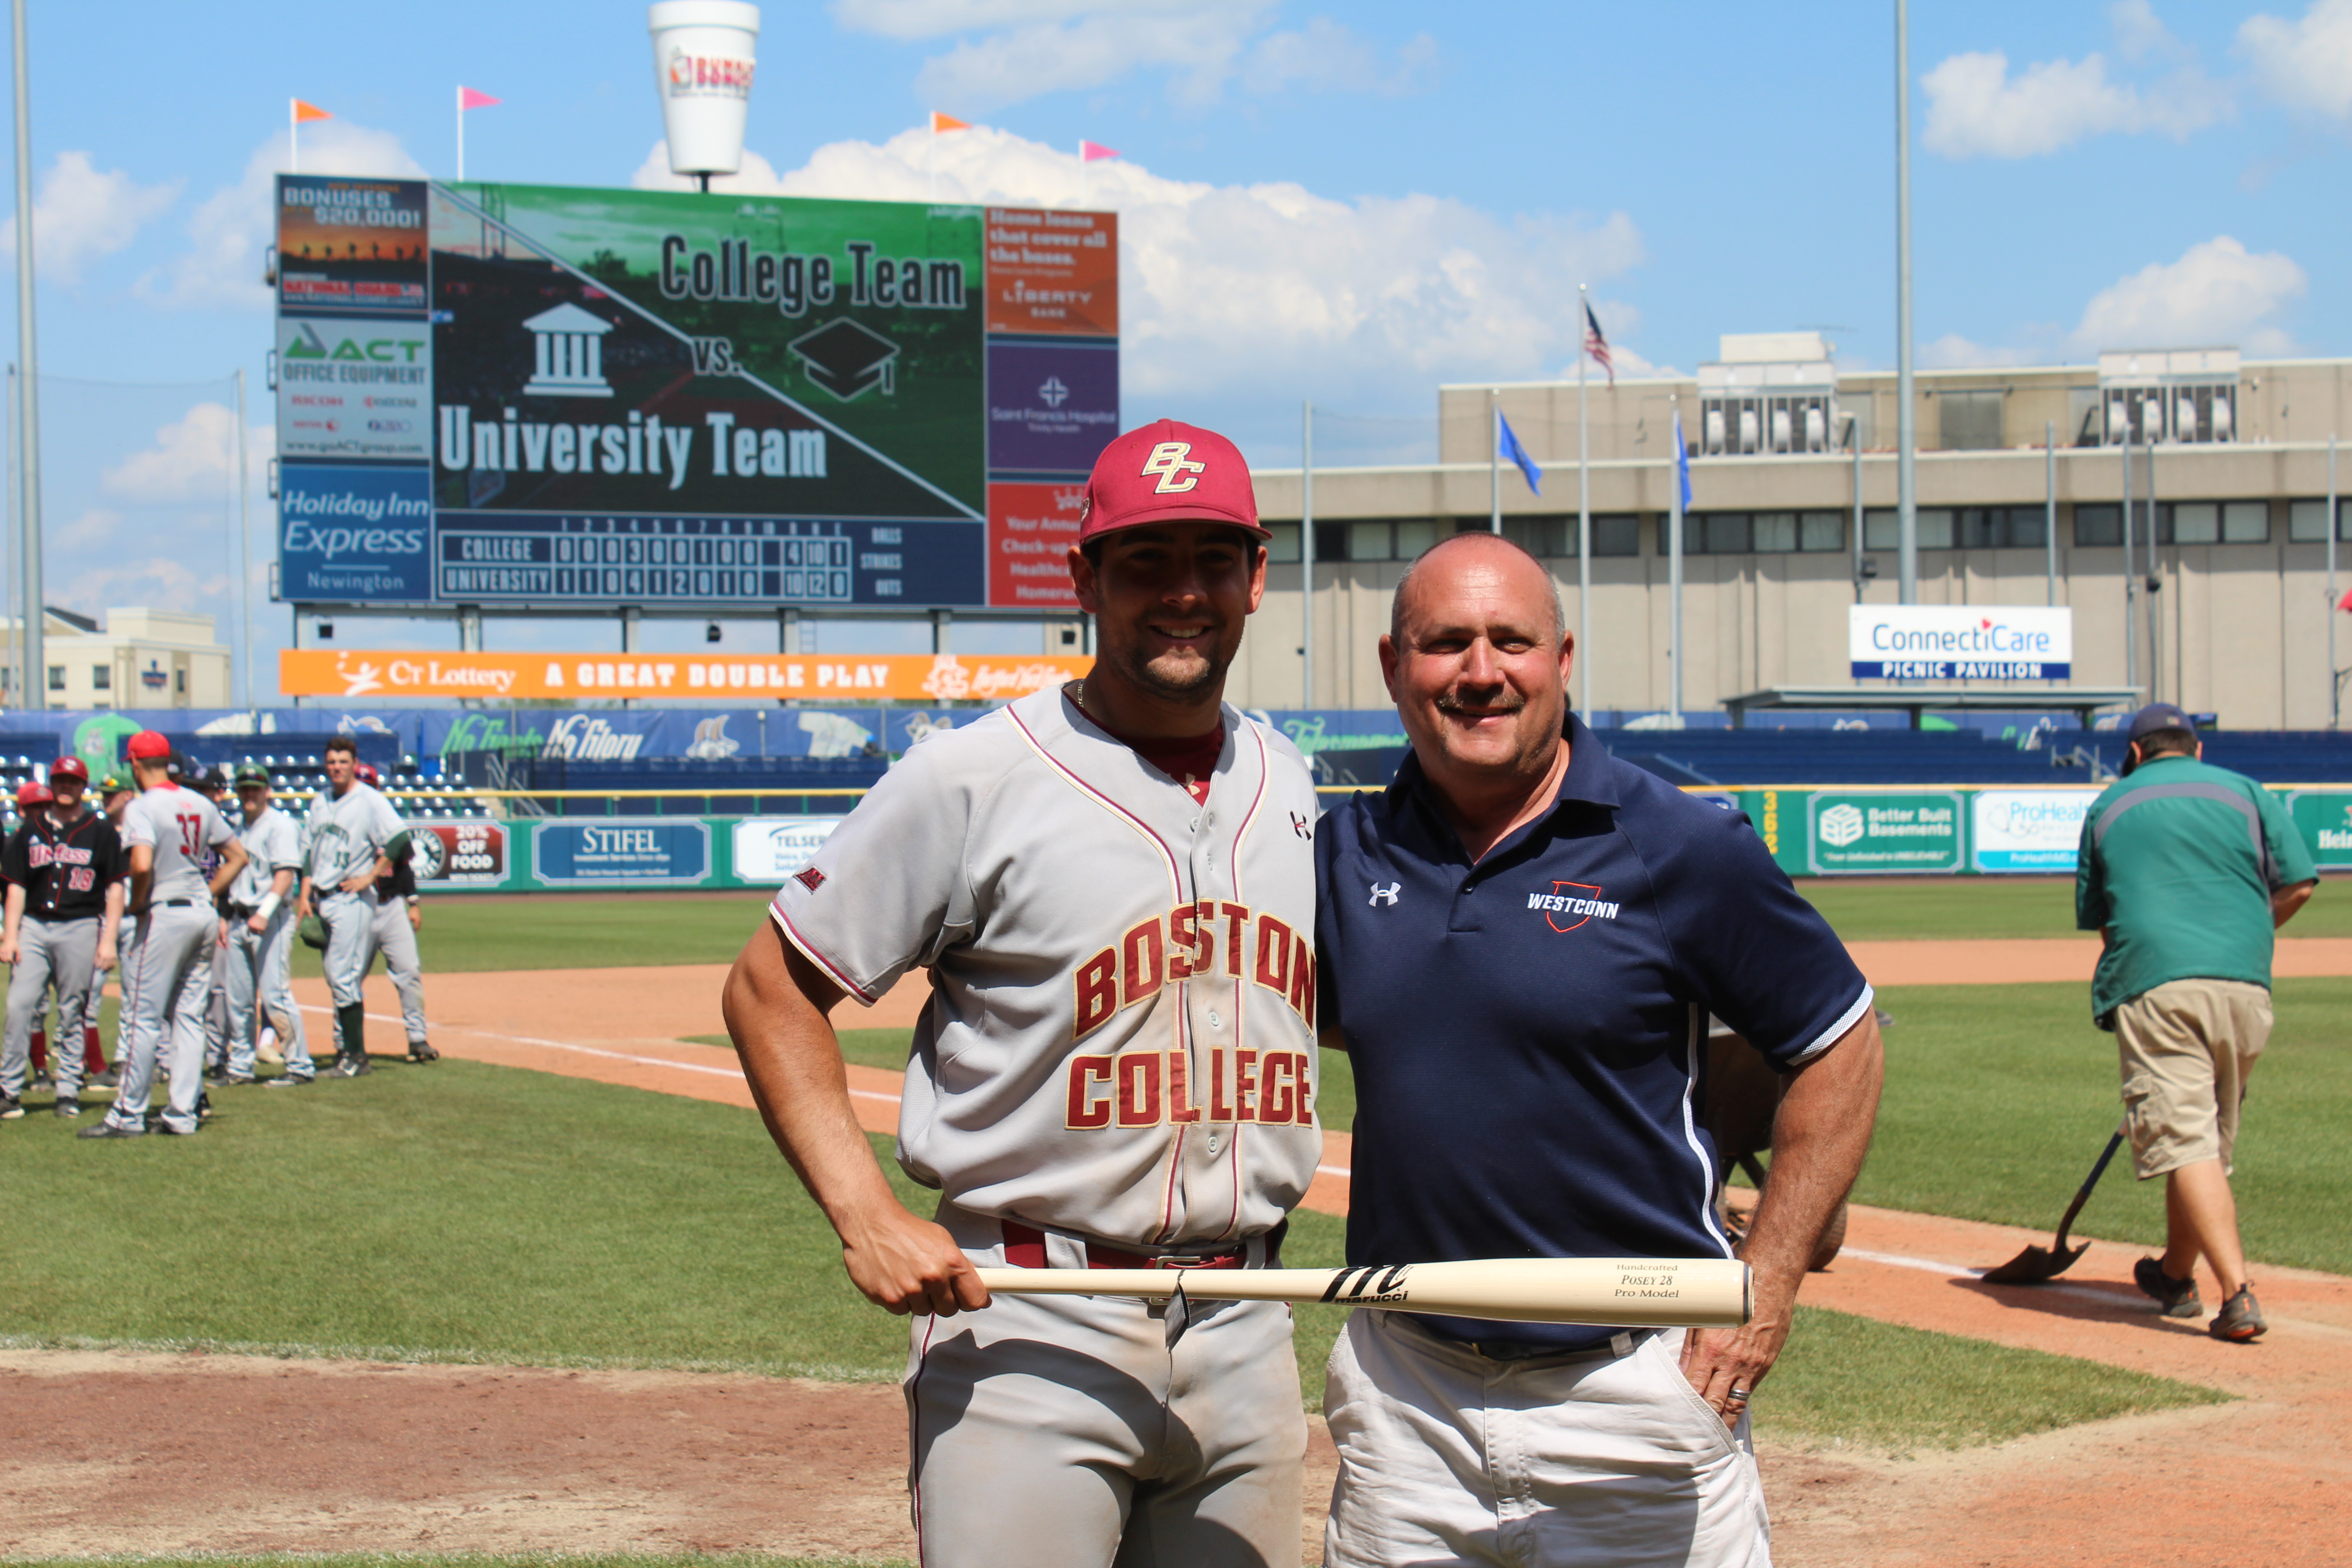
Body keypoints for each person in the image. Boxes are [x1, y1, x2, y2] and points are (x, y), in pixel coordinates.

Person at [724, 419, 1322, 1568]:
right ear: (1085, 578)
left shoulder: (1285, 775)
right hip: (1026, 1319)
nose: (1181, 592)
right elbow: (768, 987)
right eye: (1144, 561)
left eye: (1210, 559)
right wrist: (863, 1213)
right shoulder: (972, 774)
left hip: (1250, 1317)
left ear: (1255, 576)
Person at [1314, 532, 1884, 1568]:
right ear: (1393, 665)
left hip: (1630, 1391)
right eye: (1444, 642)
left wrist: (1767, 1280)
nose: (1480, 671)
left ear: (1561, 659)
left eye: (1509, 640)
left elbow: (1840, 1042)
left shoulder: (1676, 844)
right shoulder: (1342, 852)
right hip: (1407, 1402)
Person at [2076, 702, 2316, 1343]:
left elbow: (2104, 916)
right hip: (2245, 983)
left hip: (2156, 980)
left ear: (2134, 753)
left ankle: (2236, 1293)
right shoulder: (2248, 792)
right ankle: (2174, 1274)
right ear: (2197, 750)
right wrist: (2237, 937)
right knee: (2203, 1141)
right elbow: (2299, 884)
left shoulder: (2110, 806)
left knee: (2185, 1139)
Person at [80, 731, 245, 1140]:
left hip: (164, 914)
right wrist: (207, 893)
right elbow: (238, 856)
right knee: (190, 1018)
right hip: (201, 914)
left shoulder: (143, 806)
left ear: (135, 764)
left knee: (142, 1017)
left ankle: (127, 1113)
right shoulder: (200, 802)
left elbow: (139, 864)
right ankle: (182, 1113)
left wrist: (139, 904)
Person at [0, 764, 126, 1120]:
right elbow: (16, 888)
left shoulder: (100, 832)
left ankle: (68, 1089)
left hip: (81, 925)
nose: (66, 786)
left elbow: (115, 888)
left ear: (83, 786)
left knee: (73, 1009)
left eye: (73, 781)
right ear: (52, 785)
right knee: (20, 1005)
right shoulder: (28, 832)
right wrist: (11, 935)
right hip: (35, 926)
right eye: (60, 781)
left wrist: (109, 940)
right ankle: (9, 1089)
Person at [296, 737, 408, 1077]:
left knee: (342, 975)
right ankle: (349, 1052)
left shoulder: (370, 800)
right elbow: (307, 851)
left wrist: (370, 876)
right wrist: (304, 894)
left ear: (354, 763)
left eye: (343, 761)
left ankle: (356, 1058)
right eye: (332, 761)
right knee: (337, 975)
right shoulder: (319, 802)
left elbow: (401, 838)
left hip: (353, 899)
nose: (337, 767)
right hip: (323, 897)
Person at [220, 764, 315, 1087]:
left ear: (268, 792)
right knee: (239, 999)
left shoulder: (281, 826)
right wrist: (223, 916)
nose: (250, 793)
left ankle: (301, 1066)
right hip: (237, 916)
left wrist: (264, 912)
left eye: (256, 788)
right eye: (244, 788)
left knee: (274, 995)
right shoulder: (234, 827)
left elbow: (286, 874)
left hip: (271, 918)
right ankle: (240, 1067)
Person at [354, 762, 435, 1063]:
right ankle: (346, 1044)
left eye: (370, 785)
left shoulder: (390, 823)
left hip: (392, 907)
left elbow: (404, 866)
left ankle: (418, 1040)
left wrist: (413, 904)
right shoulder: (349, 823)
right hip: (359, 907)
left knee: (409, 971)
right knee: (349, 979)